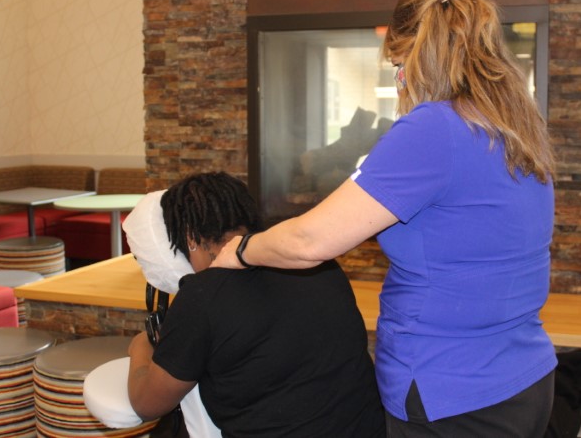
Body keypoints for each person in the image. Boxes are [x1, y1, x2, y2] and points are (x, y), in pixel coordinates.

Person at [213, 0, 557, 437]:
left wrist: (239, 250)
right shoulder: (514, 125)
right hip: (524, 377)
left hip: (449, 389)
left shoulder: (434, 128)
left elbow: (310, 240)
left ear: (414, 58)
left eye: (396, 66)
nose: (398, 83)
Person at [125, 172, 386, 437]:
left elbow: (147, 404)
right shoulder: (319, 266)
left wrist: (141, 347)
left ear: (190, 237)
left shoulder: (202, 295)